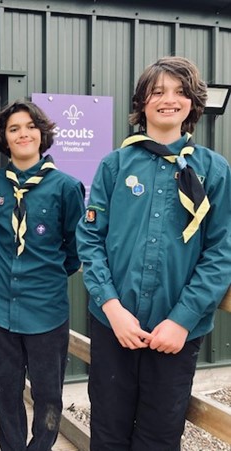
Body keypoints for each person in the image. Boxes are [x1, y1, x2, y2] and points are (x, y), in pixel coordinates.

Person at [76, 56, 231, 450]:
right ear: (142, 102)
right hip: (115, 326)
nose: (169, 99)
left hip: (176, 333)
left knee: (160, 435)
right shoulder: (115, 166)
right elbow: (90, 240)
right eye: (158, 91)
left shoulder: (213, 171)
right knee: (108, 431)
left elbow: (220, 251)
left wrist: (182, 320)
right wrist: (112, 308)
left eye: (180, 92)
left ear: (193, 103)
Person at [0, 99, 85, 451]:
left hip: (45, 311)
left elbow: (74, 250)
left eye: (29, 127)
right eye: (13, 129)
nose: (23, 134)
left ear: (42, 134)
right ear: (3, 139)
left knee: (47, 394)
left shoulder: (66, 187)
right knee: (3, 391)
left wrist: (46, 276)